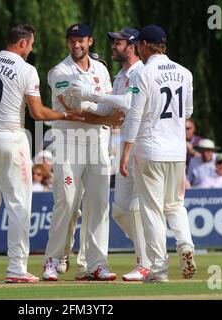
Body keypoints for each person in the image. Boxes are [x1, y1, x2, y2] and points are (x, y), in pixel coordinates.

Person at [0, 24, 81, 283]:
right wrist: (64, 115)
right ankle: (16, 268)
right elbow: (37, 113)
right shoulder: (27, 70)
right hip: (11, 138)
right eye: (31, 44)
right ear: (23, 43)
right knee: (18, 205)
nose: (32, 49)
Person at [68, 27, 151, 281]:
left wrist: (91, 92)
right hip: (126, 144)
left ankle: (146, 262)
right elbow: (108, 106)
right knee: (120, 211)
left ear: (132, 45)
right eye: (113, 41)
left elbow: (129, 103)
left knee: (137, 207)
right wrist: (82, 106)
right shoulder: (120, 75)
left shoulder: (141, 73)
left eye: (118, 42)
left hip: (142, 143)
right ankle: (154, 253)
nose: (113, 45)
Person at [120, 25, 196, 282]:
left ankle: (159, 270)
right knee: (175, 205)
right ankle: (185, 243)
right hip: (177, 152)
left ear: (143, 46)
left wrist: (125, 151)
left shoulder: (144, 73)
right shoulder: (185, 73)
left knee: (151, 210)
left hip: (150, 149)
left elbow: (134, 114)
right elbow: (187, 113)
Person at [42, 23, 117, 282]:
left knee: (99, 204)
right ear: (67, 43)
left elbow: (108, 104)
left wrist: (106, 111)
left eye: (81, 40)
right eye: (72, 40)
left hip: (97, 144)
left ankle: (96, 264)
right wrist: (108, 115)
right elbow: (74, 109)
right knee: (67, 202)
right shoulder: (59, 72)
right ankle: (53, 259)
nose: (76, 45)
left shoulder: (101, 69)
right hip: (69, 143)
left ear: (90, 41)